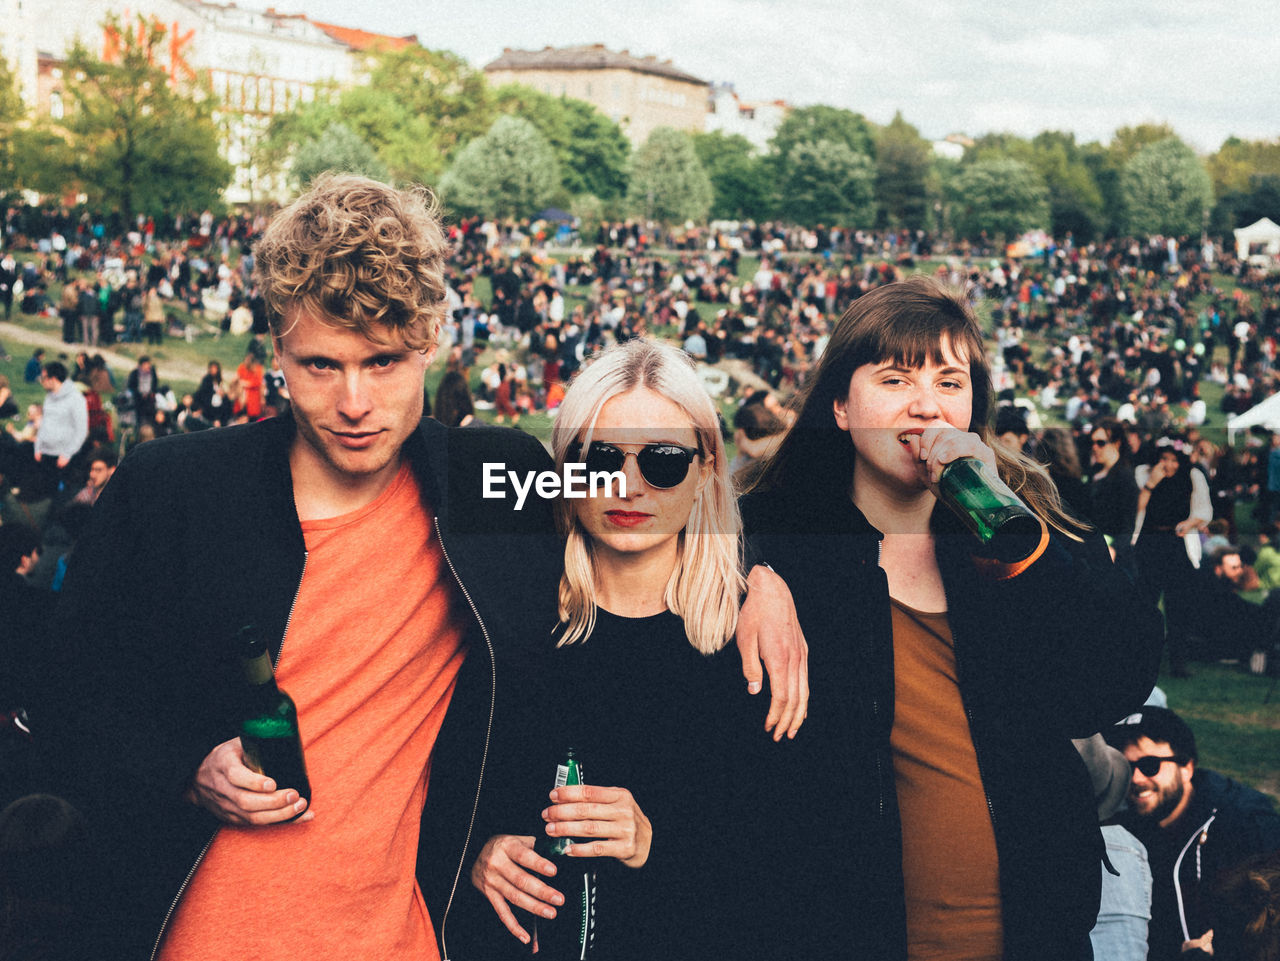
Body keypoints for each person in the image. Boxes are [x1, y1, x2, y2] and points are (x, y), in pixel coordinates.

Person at [39, 174, 804, 959]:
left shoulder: (493, 480)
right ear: (276, 348)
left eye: (383, 362)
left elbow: (653, 500)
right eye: (319, 365)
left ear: (433, 335)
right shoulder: (175, 488)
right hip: (195, 929)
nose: (354, 401)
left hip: (398, 936)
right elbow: (58, 695)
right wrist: (183, 767)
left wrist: (761, 576)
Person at [739, 276, 1162, 961]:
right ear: (841, 406)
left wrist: (1025, 549)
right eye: (897, 378)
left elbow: (1117, 676)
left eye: (949, 380)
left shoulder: (1030, 534)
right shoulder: (772, 541)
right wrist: (749, 574)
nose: (927, 405)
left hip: (1032, 932)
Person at [466, 339, 767, 959]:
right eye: (601, 458)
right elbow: (445, 795)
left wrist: (654, 842)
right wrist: (479, 855)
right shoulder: (507, 617)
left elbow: (788, 854)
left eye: (661, 460)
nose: (628, 486)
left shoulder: (753, 642)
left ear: (708, 465)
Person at [1105, 707, 1280, 961]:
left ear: (1187, 767)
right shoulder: (1126, 824)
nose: (1136, 778)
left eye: (1149, 765)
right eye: (1125, 766)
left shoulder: (1246, 824)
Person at [1132, 439, 1213, 676]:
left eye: (1173, 460)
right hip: (1150, 542)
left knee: (1177, 604)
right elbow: (1137, 508)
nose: (1168, 465)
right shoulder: (1144, 474)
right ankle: (1143, 656)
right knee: (1147, 601)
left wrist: (1190, 523)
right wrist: (1151, 484)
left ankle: (1178, 659)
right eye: (1164, 459)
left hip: (1176, 544)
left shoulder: (1192, 476)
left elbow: (1204, 511)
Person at [33, 361, 88, 496]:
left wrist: (67, 454)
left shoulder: (76, 399)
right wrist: (38, 447)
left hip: (62, 458)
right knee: (45, 491)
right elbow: (44, 423)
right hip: (45, 453)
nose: (42, 381)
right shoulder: (49, 397)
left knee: (59, 495)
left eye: (43, 378)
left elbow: (82, 430)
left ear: (53, 379)